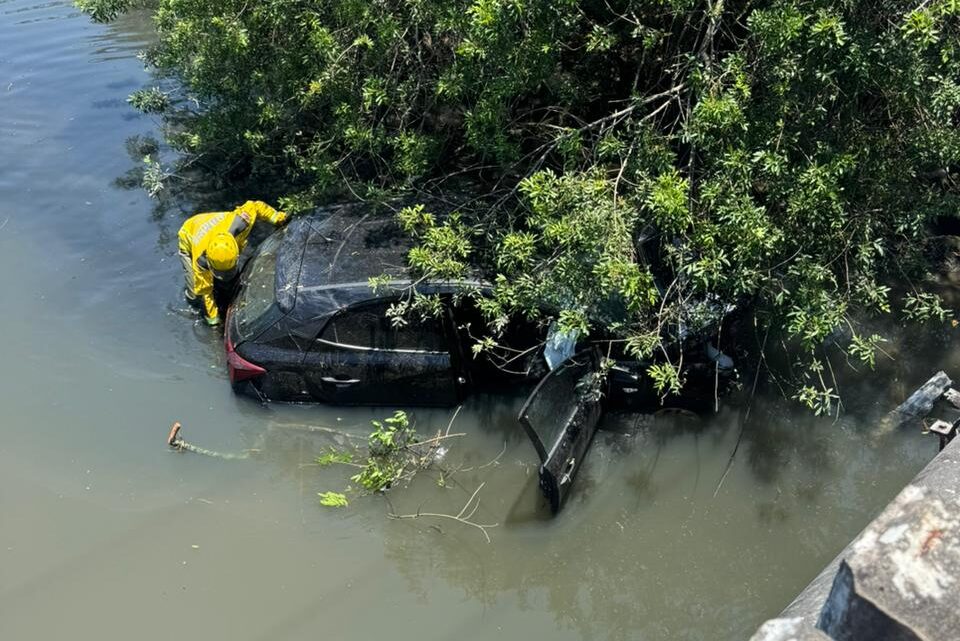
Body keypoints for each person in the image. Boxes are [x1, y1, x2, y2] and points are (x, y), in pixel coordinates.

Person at [177, 200, 287, 325]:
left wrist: (278, 218)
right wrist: (213, 320)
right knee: (195, 293)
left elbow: (256, 206)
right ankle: (191, 297)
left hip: (212, 226)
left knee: (227, 284)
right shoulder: (200, 261)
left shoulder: (240, 222)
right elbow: (205, 292)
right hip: (188, 234)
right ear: (209, 262)